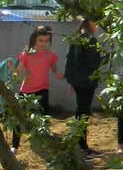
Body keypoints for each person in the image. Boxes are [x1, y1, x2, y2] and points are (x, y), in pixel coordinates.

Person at [7, 24, 63, 152]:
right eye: (40, 40)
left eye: (46, 41)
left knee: (44, 117)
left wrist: (59, 75)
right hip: (26, 90)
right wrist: (12, 69)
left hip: (42, 89)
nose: (43, 44)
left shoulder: (50, 55)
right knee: (19, 117)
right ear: (34, 39)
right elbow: (18, 75)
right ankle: (15, 145)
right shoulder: (26, 54)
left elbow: (54, 70)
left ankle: (46, 143)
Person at [64, 19, 104, 157]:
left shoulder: (75, 38)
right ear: (90, 23)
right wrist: (109, 57)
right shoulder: (91, 40)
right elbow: (94, 63)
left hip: (76, 80)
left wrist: (70, 80)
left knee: (80, 111)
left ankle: (79, 144)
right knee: (83, 113)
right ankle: (81, 146)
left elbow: (69, 61)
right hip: (87, 80)